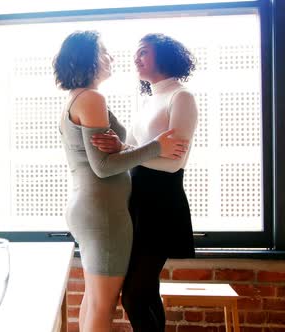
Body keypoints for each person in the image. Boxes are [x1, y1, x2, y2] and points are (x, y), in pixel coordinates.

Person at [53, 30, 189, 332]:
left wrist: (132, 148)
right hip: (103, 214)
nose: (112, 58)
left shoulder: (78, 98)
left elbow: (112, 151)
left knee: (93, 300)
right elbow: (103, 166)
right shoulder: (91, 98)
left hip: (92, 209)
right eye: (104, 52)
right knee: (104, 306)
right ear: (89, 60)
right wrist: (157, 147)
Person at [91, 33, 198, 332]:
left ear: (163, 56)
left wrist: (125, 151)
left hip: (162, 204)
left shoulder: (182, 97)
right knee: (147, 292)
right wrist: (120, 146)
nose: (136, 58)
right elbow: (137, 150)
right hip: (137, 204)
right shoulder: (150, 98)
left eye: (144, 52)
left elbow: (174, 161)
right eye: (136, 53)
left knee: (135, 297)